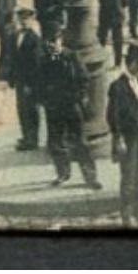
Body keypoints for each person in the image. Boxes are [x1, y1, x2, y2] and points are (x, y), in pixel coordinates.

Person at [39, 31, 100, 189]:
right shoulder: (45, 60)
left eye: (55, 41)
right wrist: (46, 100)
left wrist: (77, 97)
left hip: (71, 106)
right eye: (49, 42)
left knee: (80, 142)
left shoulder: (72, 57)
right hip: (54, 108)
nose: (52, 45)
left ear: (61, 41)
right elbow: (39, 82)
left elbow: (84, 79)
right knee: (56, 143)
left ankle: (90, 176)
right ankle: (62, 173)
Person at [108, 43, 138, 228]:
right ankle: (126, 215)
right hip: (128, 140)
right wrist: (118, 139)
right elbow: (112, 116)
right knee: (128, 177)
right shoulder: (117, 87)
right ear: (130, 63)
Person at [10, 8, 45, 151]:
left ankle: (32, 139)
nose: (24, 22)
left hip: (29, 82)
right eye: (21, 20)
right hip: (20, 80)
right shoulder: (16, 35)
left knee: (31, 110)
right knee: (22, 109)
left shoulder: (34, 39)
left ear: (32, 21)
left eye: (26, 19)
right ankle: (26, 136)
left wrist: (31, 84)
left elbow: (36, 65)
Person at [97, 0, 127, 67]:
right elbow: (100, 0)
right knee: (101, 38)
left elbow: (125, 1)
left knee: (117, 41)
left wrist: (118, 10)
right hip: (104, 17)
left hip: (116, 17)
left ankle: (117, 63)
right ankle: (100, 60)